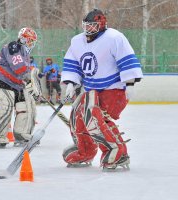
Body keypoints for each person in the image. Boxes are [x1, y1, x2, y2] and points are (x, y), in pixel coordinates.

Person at [61, 9, 143, 170]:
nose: (88, 29)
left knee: (94, 115)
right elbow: (73, 63)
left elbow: (126, 59)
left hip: (114, 89)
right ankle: (85, 150)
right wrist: (71, 82)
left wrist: (130, 82)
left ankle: (117, 151)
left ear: (101, 25)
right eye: (86, 25)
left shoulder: (114, 37)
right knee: (78, 113)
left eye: (92, 26)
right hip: (92, 91)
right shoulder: (77, 41)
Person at [0, 27, 42, 147]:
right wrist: (29, 79)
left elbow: (28, 72)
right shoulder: (13, 46)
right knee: (4, 108)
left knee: (26, 107)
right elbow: (19, 67)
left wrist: (34, 82)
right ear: (22, 39)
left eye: (33, 41)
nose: (31, 43)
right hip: (3, 81)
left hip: (17, 85)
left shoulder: (26, 55)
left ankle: (21, 134)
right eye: (29, 40)